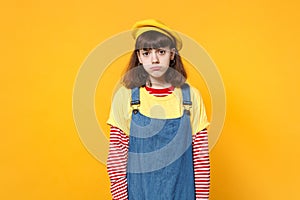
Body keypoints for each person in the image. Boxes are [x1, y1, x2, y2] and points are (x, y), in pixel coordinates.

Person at [106, 19, 210, 200]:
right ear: (138, 57)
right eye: (146, 53)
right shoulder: (125, 97)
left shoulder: (191, 97)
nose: (154, 59)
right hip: (139, 195)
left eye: (161, 52)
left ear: (172, 54)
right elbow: (117, 160)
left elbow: (201, 160)